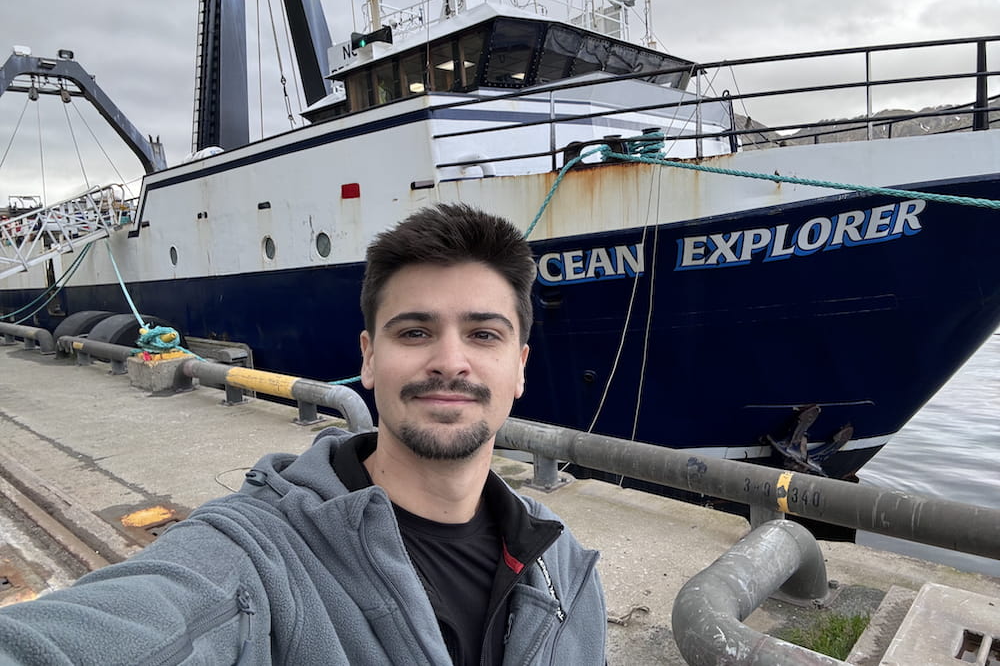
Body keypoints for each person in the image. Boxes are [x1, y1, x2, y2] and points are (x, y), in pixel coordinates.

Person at [0, 203, 607, 665]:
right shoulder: (261, 557)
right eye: (415, 332)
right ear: (368, 359)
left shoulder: (567, 568)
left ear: (521, 366)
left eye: (483, 334)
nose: (450, 361)